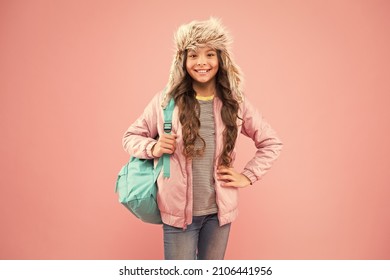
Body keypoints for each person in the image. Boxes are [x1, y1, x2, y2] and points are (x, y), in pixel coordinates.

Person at [122, 18, 282, 260]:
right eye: (193, 55)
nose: (202, 62)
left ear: (221, 59)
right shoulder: (165, 102)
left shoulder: (235, 102)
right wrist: (153, 147)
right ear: (183, 61)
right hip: (177, 216)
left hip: (218, 215)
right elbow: (130, 137)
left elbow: (271, 142)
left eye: (210, 54)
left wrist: (247, 176)